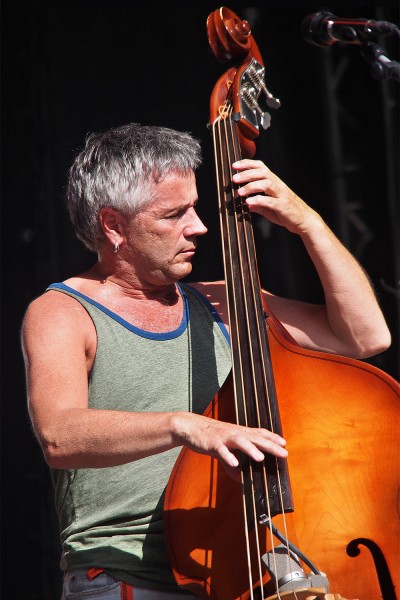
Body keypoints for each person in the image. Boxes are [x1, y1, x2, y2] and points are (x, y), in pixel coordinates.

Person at [21, 122, 391, 599]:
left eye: (194, 207)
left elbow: (365, 336)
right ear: (114, 225)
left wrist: (308, 223)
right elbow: (59, 434)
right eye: (174, 214)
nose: (198, 226)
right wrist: (188, 425)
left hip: (238, 571)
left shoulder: (222, 302)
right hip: (131, 576)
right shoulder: (63, 312)